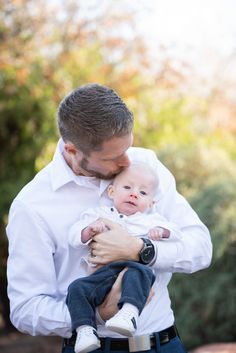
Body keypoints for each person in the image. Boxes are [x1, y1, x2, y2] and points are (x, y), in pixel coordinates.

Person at [6, 83, 212, 353]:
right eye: (113, 157)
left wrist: (142, 250)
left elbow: (201, 247)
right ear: (72, 151)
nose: (127, 162)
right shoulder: (32, 205)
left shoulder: (145, 167)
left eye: (129, 147)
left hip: (164, 344)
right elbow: (25, 309)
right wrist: (97, 314)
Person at [67, 163, 181, 353]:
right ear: (111, 192)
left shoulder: (151, 219)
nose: (134, 194)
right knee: (77, 288)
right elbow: (74, 235)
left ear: (151, 203)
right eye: (127, 188)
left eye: (143, 193)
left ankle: (129, 313)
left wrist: (162, 231)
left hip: (133, 269)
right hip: (103, 273)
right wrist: (89, 230)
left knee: (141, 272)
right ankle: (85, 330)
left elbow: (177, 232)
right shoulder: (99, 214)